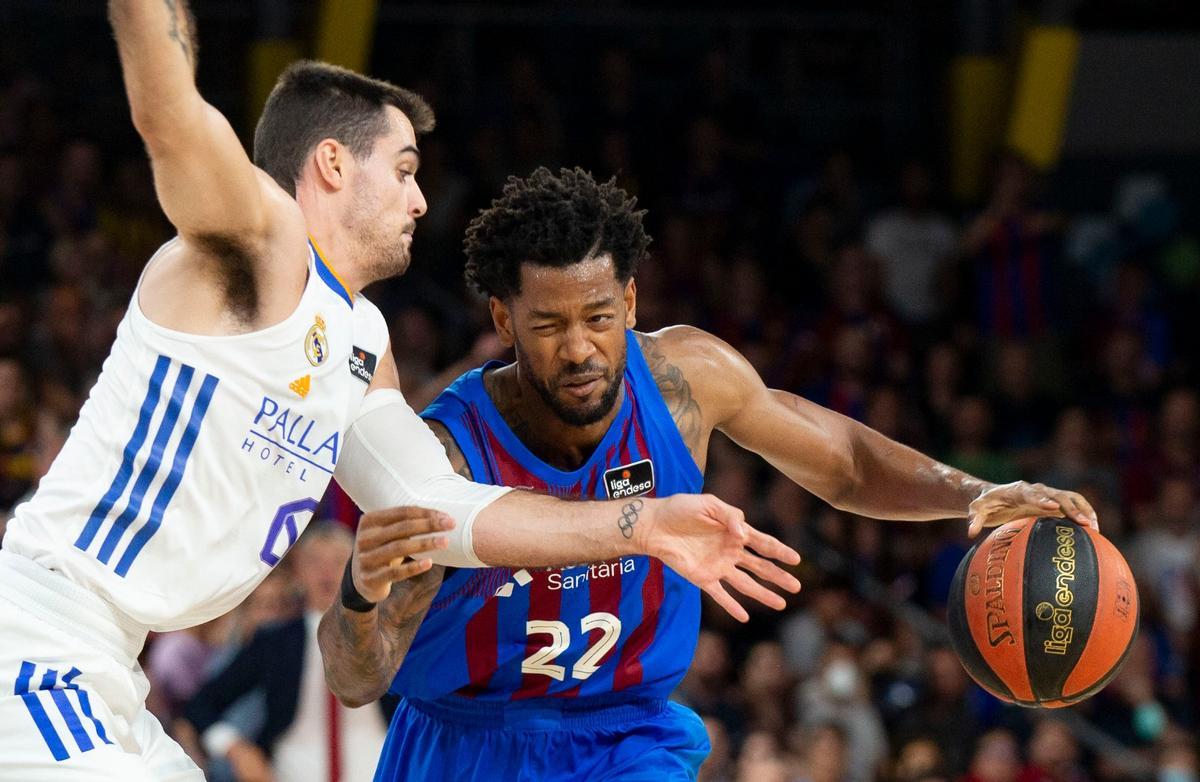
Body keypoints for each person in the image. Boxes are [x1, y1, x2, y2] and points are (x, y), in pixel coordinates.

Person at [0, 4, 800, 779]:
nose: (421, 198)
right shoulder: (261, 240)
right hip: (40, 634)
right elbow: (171, 116)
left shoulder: (359, 338)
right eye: (405, 169)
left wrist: (643, 523)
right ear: (333, 163)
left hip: (109, 665)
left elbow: (443, 508)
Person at [318, 167, 1101, 781]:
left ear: (631, 300)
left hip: (625, 737)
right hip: (464, 745)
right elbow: (359, 678)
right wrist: (358, 595)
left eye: (598, 317)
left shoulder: (683, 381)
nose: (580, 349)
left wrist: (976, 492)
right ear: (503, 320)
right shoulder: (445, 456)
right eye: (549, 325)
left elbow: (848, 464)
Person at [183, 522, 388, 781]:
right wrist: (235, 748)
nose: (327, 572)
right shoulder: (274, 641)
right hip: (291, 772)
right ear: (297, 571)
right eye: (314, 562)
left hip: (379, 769)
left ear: (358, 569)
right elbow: (201, 705)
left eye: (339, 561)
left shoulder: (387, 635)